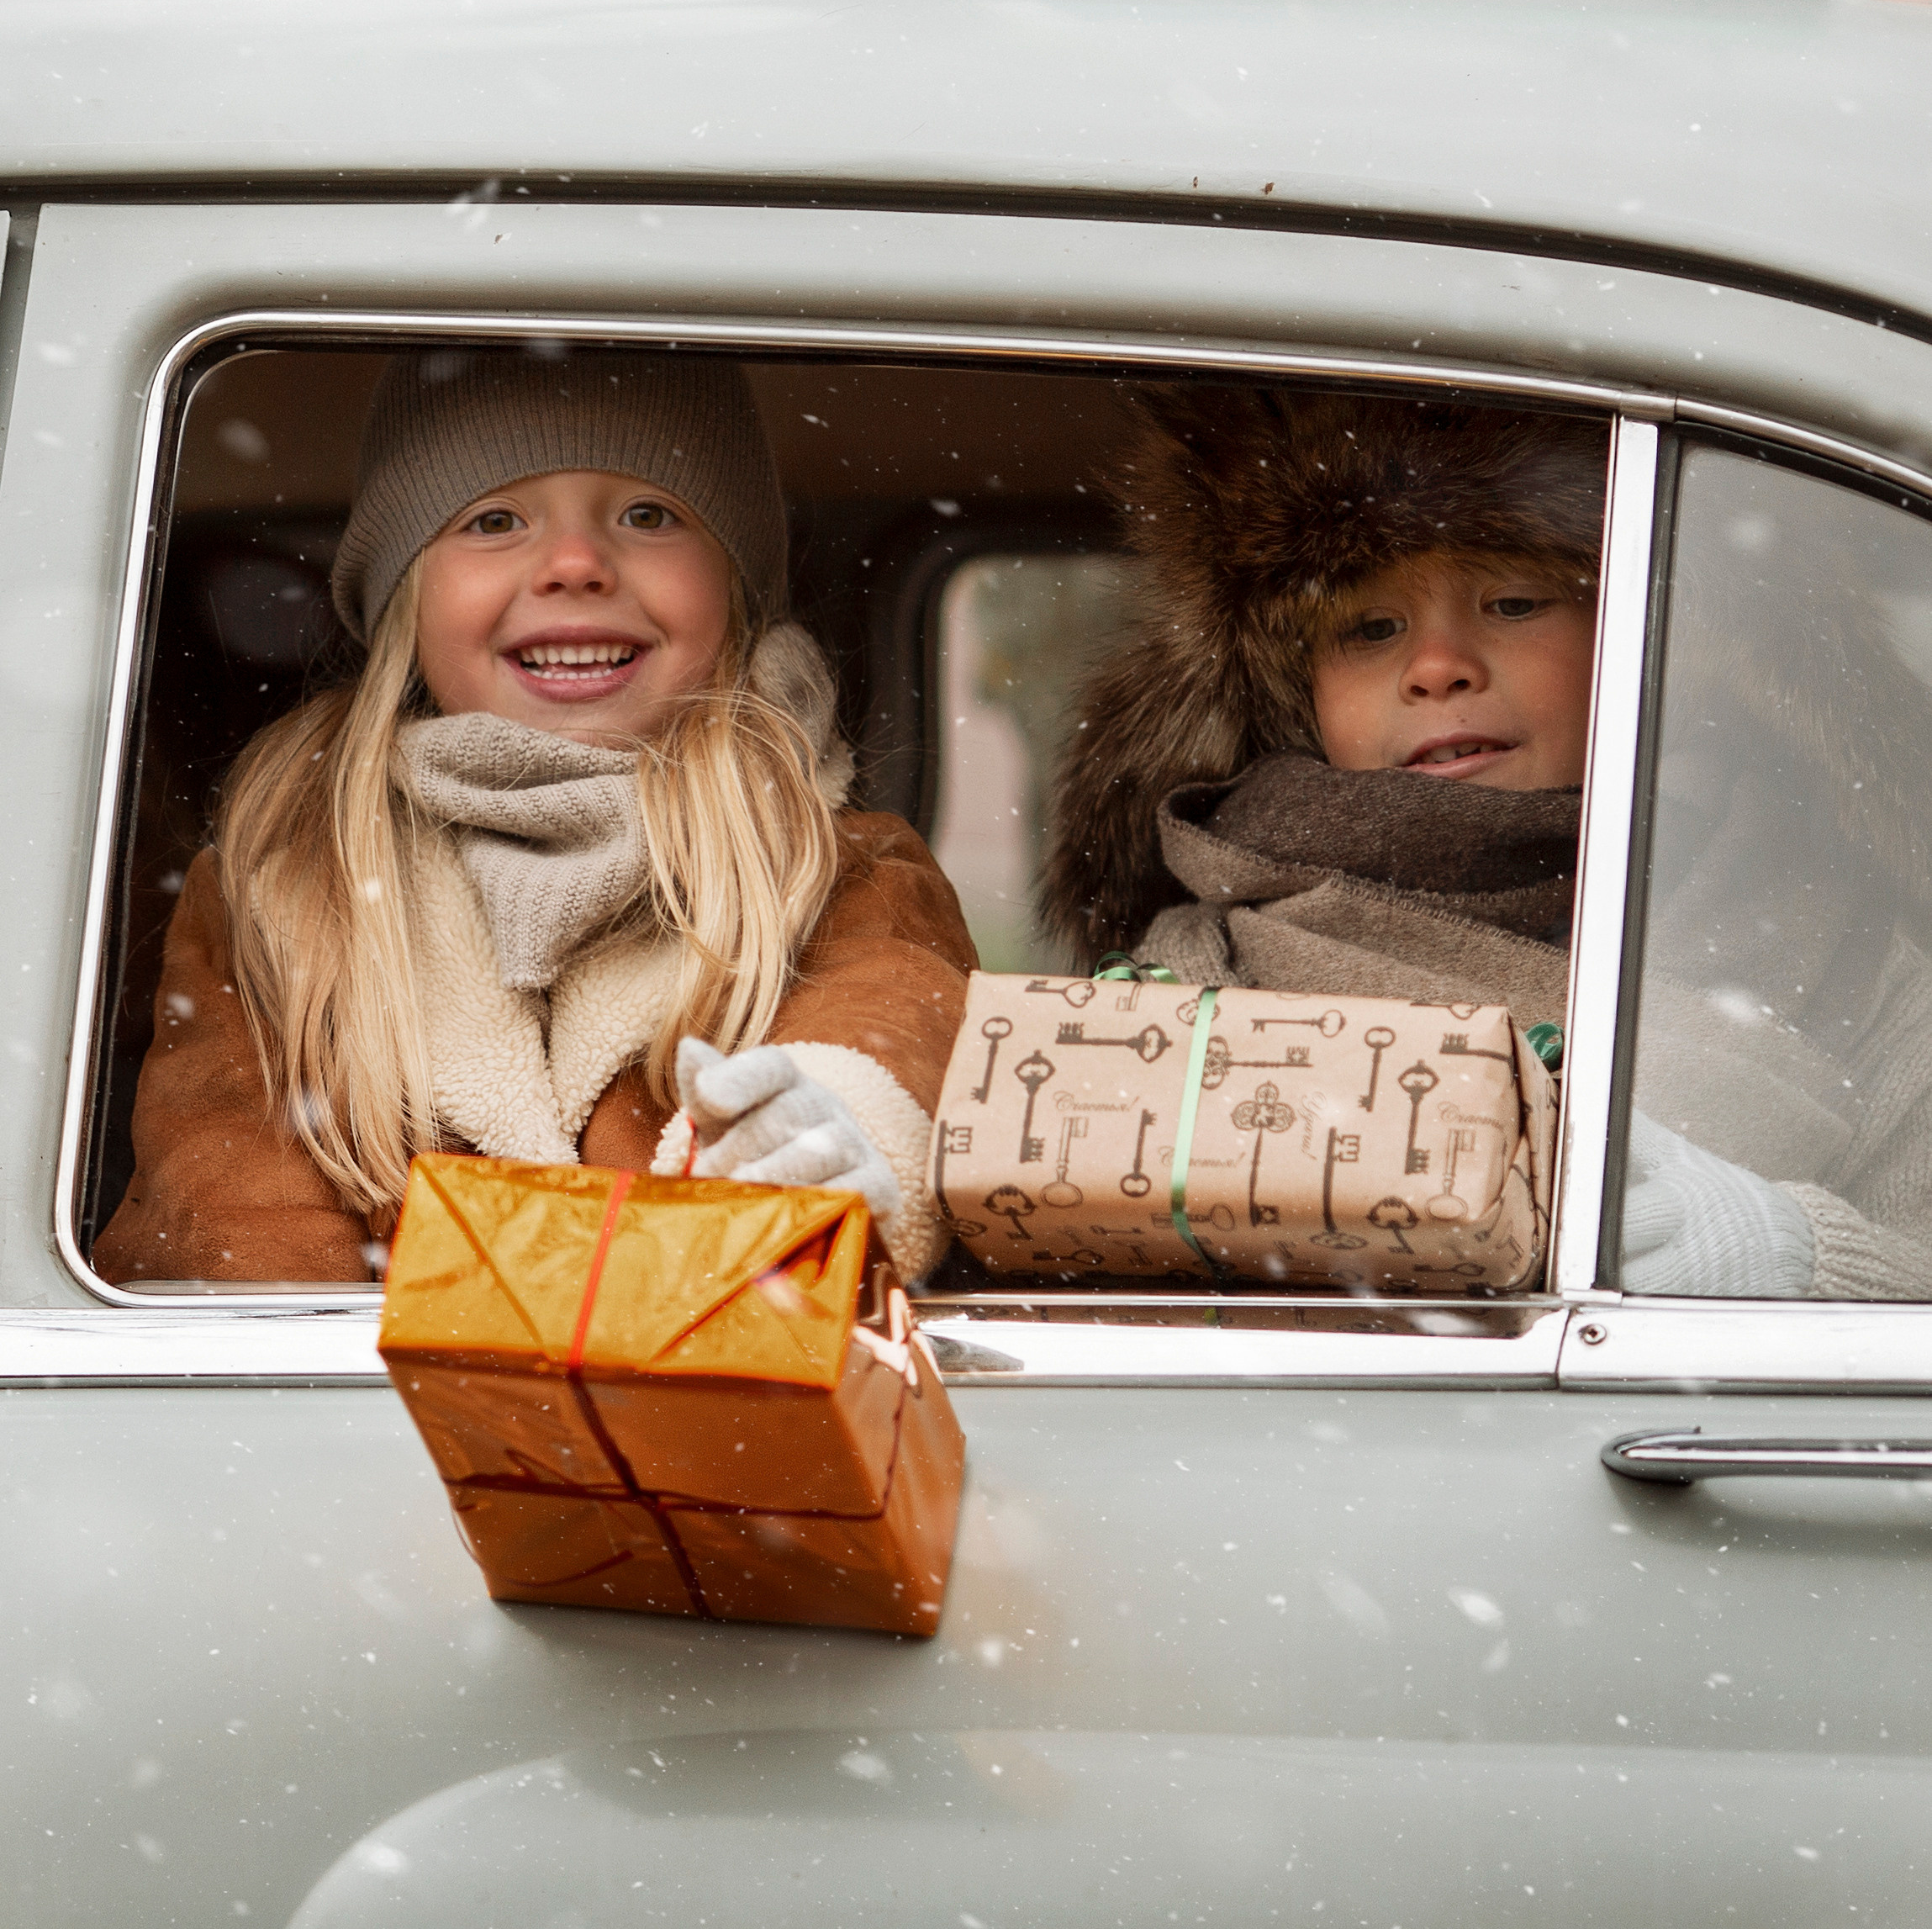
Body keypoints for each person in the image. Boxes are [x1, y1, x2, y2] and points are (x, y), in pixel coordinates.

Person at [96, 346, 973, 1291]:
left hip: (728, 1406)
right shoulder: (279, 884)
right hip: (379, 1425)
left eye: (648, 515)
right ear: (405, 601)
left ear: (733, 590)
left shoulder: (834, 866)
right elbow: (225, 1214)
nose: (574, 564)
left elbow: (890, 1027)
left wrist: (832, 1147)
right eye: (495, 520)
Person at [1042, 383, 1927, 1300]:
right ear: (1296, 693)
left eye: (1513, 603)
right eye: (1371, 629)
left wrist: (1797, 1256)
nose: (1435, 669)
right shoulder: (1190, 971)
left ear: (1650, 632)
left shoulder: (1859, 968)